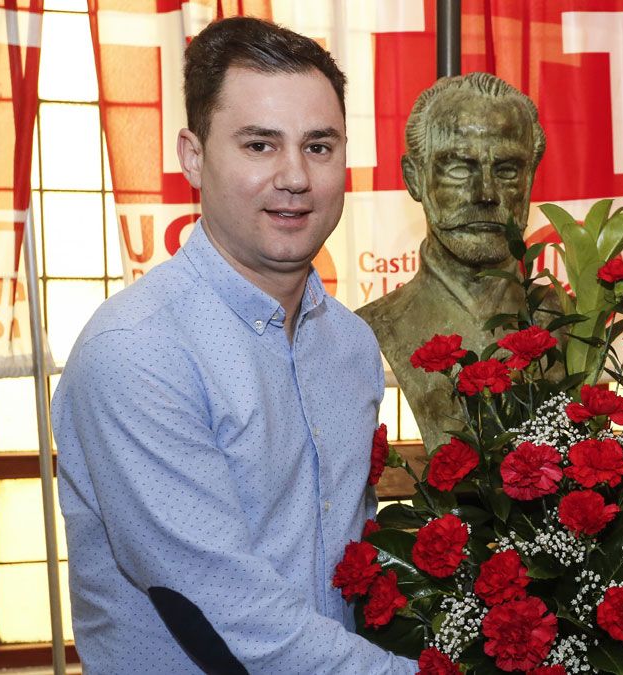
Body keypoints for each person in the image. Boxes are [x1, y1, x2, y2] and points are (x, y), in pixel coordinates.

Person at [53, 17, 415, 673]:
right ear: (193, 155)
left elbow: (354, 571)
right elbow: (234, 619)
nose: (295, 177)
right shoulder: (138, 353)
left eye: (319, 146)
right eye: (258, 145)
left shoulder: (352, 346)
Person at [357, 72, 546, 450]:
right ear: (415, 178)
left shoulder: (571, 325)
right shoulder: (364, 333)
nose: (487, 194)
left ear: (530, 179)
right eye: (460, 168)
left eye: (508, 170)